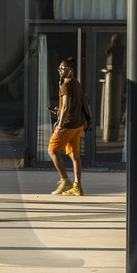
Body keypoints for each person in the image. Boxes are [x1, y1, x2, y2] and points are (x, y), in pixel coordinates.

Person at [48, 58, 85, 196]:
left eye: (62, 68)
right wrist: (60, 111)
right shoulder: (76, 83)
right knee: (74, 155)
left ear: (70, 70)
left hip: (68, 125)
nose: (59, 71)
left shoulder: (66, 85)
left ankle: (65, 181)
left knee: (52, 150)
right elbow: (70, 105)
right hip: (78, 124)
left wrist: (60, 125)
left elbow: (66, 106)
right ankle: (77, 186)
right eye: (59, 68)